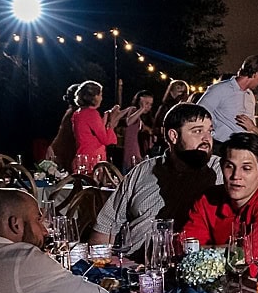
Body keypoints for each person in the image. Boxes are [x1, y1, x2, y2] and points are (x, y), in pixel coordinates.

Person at [91, 101, 222, 252]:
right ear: (173, 136)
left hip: (190, 265)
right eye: (197, 131)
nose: (207, 139)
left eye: (210, 132)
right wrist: (101, 268)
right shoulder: (143, 171)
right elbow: (106, 226)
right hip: (132, 264)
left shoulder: (220, 171)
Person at [179, 132, 258, 265]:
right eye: (229, 166)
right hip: (218, 282)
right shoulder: (208, 199)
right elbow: (185, 247)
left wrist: (202, 252)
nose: (236, 176)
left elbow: (247, 257)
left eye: (246, 168)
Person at [197, 55, 258, 146]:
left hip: (245, 146)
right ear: (255, 75)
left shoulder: (250, 95)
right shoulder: (220, 89)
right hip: (222, 146)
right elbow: (199, 113)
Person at [69, 80, 122, 171]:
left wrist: (105, 119)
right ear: (94, 97)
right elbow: (106, 140)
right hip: (92, 160)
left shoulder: (78, 113)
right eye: (100, 95)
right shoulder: (91, 114)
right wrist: (111, 123)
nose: (101, 98)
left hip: (82, 157)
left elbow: (91, 133)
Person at [150, 79, 190, 153]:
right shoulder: (166, 106)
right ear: (171, 92)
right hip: (166, 142)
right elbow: (159, 124)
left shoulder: (186, 107)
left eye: (183, 92)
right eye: (178, 90)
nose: (181, 94)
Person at [119, 91, 155, 171]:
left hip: (137, 151)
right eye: (146, 103)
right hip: (130, 151)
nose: (148, 106)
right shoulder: (133, 110)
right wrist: (142, 109)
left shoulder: (141, 118)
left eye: (150, 104)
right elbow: (129, 121)